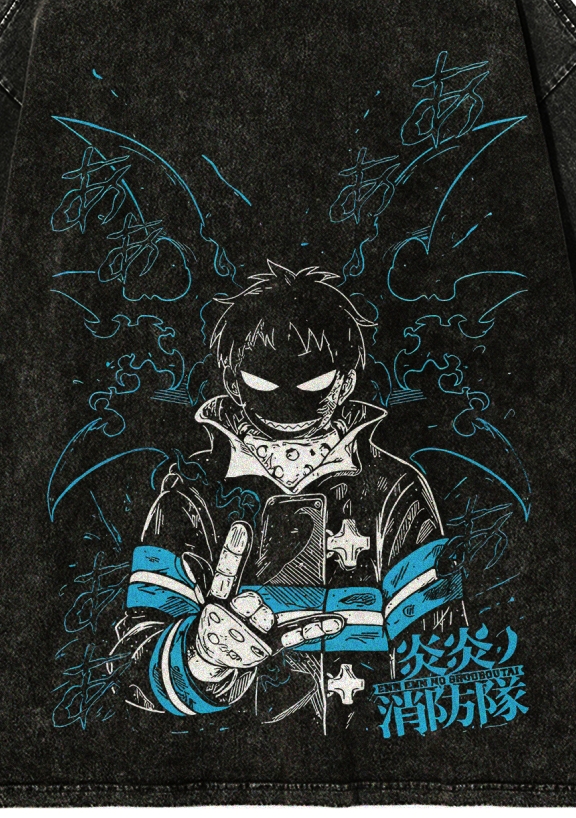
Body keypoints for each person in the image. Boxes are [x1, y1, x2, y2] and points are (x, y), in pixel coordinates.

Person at [113, 262, 465, 728]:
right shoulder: (191, 492)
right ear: (233, 383)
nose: (286, 401)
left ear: (345, 383)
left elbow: (440, 652)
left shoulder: (394, 488)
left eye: (311, 384)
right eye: (263, 382)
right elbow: (133, 664)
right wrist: (201, 656)